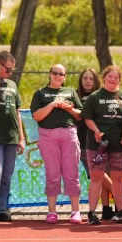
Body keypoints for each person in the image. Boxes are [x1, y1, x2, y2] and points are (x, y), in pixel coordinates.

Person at [30, 64, 84, 224]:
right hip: (48, 136)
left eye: (61, 74)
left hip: (69, 134)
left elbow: (80, 115)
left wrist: (68, 109)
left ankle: (75, 211)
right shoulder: (40, 93)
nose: (58, 76)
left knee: (71, 173)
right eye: (55, 73)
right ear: (50, 74)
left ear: (65, 77)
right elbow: (37, 116)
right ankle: (52, 212)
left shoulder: (71, 92)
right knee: (52, 174)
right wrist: (53, 105)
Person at [82, 66, 122, 225]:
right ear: (104, 77)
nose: (113, 79)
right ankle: (92, 212)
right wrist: (96, 131)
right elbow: (88, 118)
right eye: (110, 76)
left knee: (117, 178)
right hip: (97, 145)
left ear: (120, 80)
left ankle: (121, 211)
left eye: (116, 77)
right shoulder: (94, 97)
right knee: (97, 177)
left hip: (119, 144)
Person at [0, 51, 25, 222]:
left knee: (7, 176)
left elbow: (18, 112)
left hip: (11, 136)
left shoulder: (12, 85)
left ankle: (2, 208)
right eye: (7, 69)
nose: (9, 73)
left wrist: (21, 137)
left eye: (12, 70)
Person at [77, 68, 114, 219]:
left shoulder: (100, 96)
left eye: (90, 78)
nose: (87, 81)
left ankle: (106, 208)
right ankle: (120, 198)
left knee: (104, 173)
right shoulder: (76, 96)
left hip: (102, 141)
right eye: (85, 78)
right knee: (97, 175)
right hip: (84, 144)